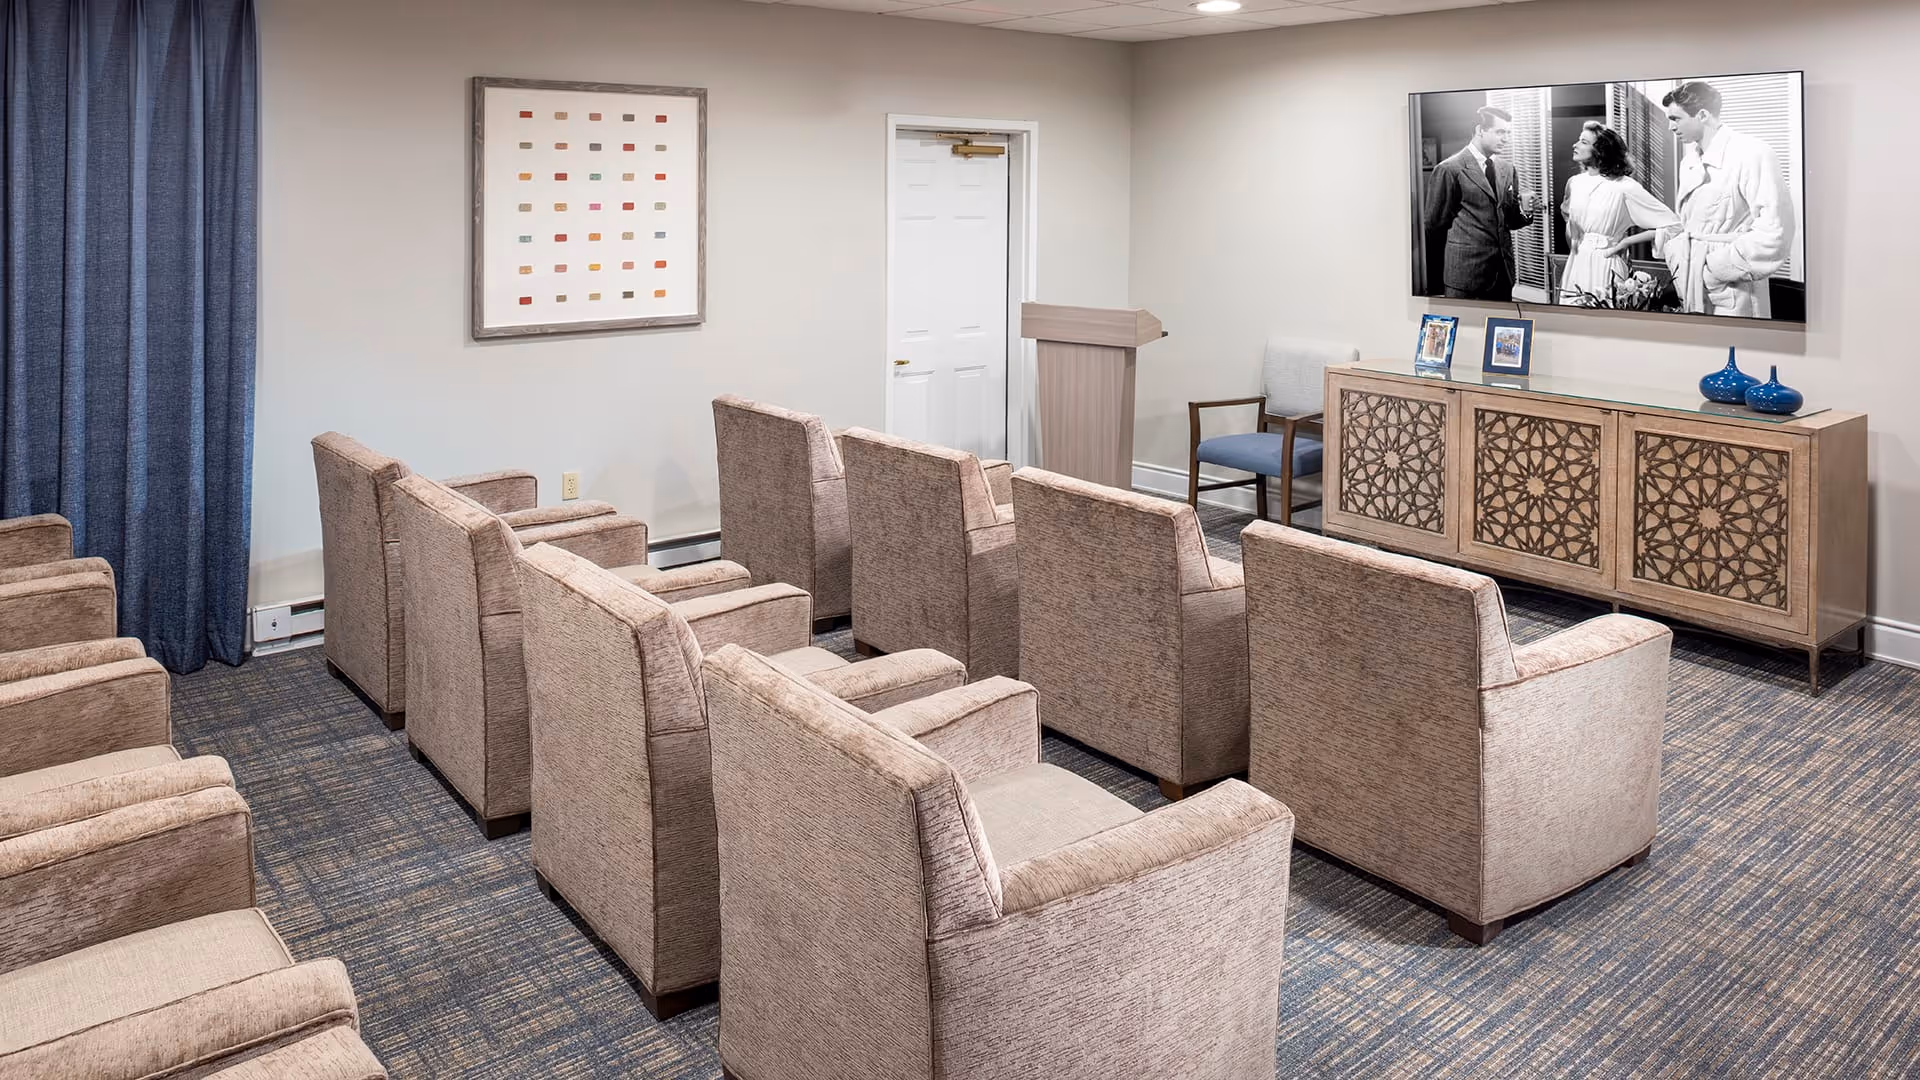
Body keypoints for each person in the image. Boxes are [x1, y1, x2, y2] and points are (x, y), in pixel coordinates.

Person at [1655, 80, 1796, 317]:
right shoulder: (1689, 162)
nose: (1670, 127)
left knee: (1733, 349)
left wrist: (1714, 269)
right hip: (1691, 277)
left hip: (1731, 285)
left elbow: (1775, 232)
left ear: (1701, 115)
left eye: (1676, 118)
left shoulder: (1752, 153)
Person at [1423, 105, 1544, 301]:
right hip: (1465, 276)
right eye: (1500, 132)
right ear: (1480, 130)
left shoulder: (1507, 169)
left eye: (1508, 133)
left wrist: (1526, 210)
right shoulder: (1449, 169)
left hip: (1502, 275)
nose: (1506, 138)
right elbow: (1434, 225)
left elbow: (1510, 221)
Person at [1557, 121, 1681, 306]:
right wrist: (1574, 234)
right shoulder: (1574, 182)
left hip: (1606, 261)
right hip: (1577, 263)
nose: (1575, 145)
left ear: (1601, 150)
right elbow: (1571, 227)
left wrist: (1625, 242)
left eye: (1583, 142)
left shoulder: (1624, 187)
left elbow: (1674, 225)